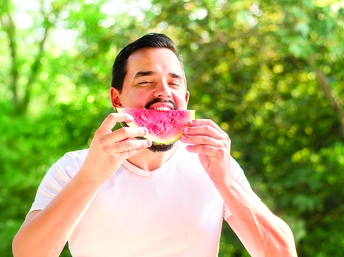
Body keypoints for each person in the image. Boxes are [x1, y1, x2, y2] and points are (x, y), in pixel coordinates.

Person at [12, 33, 297, 257]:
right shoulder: (73, 167)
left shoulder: (214, 165)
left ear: (185, 97)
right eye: (146, 81)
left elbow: (282, 253)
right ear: (116, 98)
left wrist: (224, 180)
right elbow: (27, 254)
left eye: (173, 83)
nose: (163, 92)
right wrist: (90, 177)